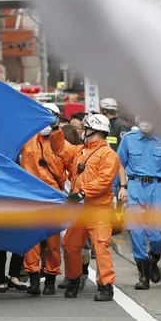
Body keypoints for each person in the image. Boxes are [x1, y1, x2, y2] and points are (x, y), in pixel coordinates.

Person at [50, 113, 120, 301]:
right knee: (70, 245)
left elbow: (104, 181)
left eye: (86, 128)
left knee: (100, 247)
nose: (83, 131)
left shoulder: (109, 155)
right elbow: (60, 148)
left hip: (98, 209)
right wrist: (55, 129)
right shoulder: (80, 150)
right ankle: (73, 280)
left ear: (94, 130)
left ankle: (106, 286)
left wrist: (82, 193)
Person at [116, 121, 161, 290]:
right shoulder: (129, 139)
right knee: (137, 232)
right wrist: (119, 189)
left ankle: (153, 258)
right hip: (135, 187)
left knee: (159, 234)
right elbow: (118, 163)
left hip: (156, 188)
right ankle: (143, 276)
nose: (146, 124)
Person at [19, 103, 64, 296]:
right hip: (31, 196)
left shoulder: (62, 144)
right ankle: (34, 279)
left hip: (53, 196)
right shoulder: (26, 140)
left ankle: (51, 279)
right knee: (31, 241)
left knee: (53, 243)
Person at [56, 125, 92, 292]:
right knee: (67, 244)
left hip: (83, 206)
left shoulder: (81, 157)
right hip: (66, 206)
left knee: (82, 245)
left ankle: (82, 273)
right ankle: (71, 276)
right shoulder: (59, 159)